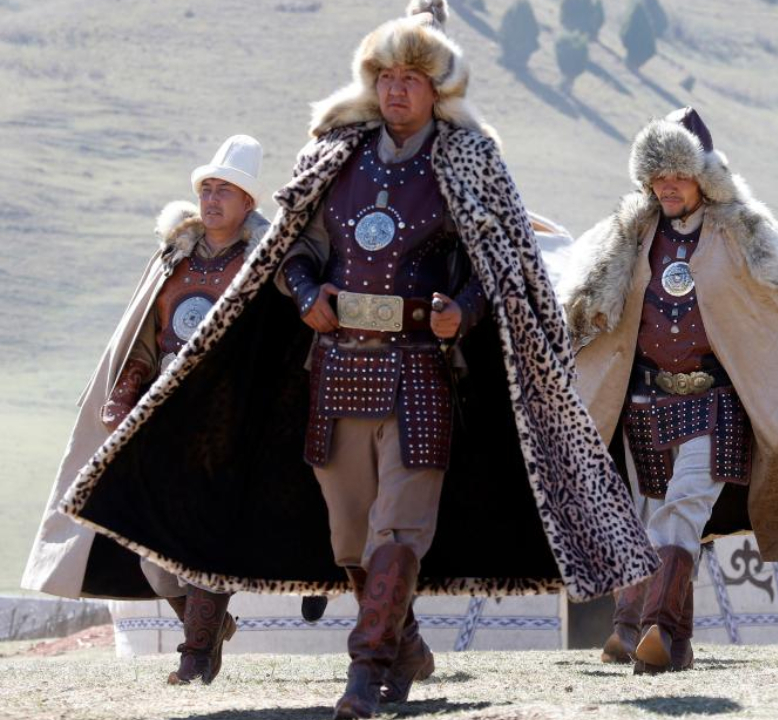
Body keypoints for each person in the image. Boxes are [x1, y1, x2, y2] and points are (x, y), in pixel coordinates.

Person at [56, 3, 659, 717]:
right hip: (337, 370)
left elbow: (499, 265)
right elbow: (293, 249)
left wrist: (463, 310)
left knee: (400, 528)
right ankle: (404, 645)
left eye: (412, 78)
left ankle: (366, 672)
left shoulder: (469, 161)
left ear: (437, 88)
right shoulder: (334, 157)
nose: (397, 90)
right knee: (349, 539)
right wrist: (307, 291)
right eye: (387, 77)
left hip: (421, 373)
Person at [561, 106, 778, 673]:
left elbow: (776, 316)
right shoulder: (628, 235)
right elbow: (589, 307)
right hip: (644, 400)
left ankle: (660, 630)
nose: (667, 185)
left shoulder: (743, 233)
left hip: (715, 399)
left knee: (684, 509)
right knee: (646, 516)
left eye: (680, 174)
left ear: (704, 177)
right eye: (657, 175)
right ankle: (651, 633)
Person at [23, 135, 270, 684]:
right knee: (154, 557)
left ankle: (196, 655)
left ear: (247, 202)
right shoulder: (171, 260)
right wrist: (123, 395)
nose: (212, 199)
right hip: (161, 419)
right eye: (207, 188)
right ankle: (211, 628)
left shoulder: (265, 265)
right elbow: (142, 342)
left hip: (229, 419)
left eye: (225, 190)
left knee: (206, 535)